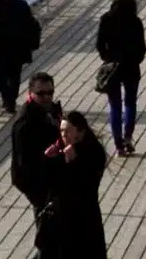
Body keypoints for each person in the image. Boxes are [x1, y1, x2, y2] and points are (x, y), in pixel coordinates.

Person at [36, 111, 108, 259]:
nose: (63, 135)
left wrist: (68, 162)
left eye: (67, 131)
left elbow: (78, 185)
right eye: (62, 131)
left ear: (81, 131)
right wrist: (51, 159)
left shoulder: (91, 153)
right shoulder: (63, 150)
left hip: (81, 220)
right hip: (68, 220)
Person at [11, 72, 63, 254]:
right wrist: (41, 198)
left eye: (50, 92)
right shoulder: (25, 124)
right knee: (49, 243)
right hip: (43, 191)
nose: (47, 97)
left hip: (58, 185)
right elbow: (21, 169)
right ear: (30, 93)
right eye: (41, 93)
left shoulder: (51, 111)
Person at [96, 0, 146, 156]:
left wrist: (107, 58)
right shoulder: (135, 21)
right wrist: (136, 59)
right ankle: (128, 137)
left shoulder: (106, 19)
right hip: (131, 67)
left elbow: (100, 44)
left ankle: (118, 145)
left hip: (112, 68)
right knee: (130, 103)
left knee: (115, 106)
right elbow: (142, 47)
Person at [0, 0, 41, 113]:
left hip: (17, 47)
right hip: (0, 47)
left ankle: (11, 101)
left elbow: (31, 24)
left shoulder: (21, 5)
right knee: (0, 77)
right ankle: (5, 97)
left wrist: (31, 42)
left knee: (14, 76)